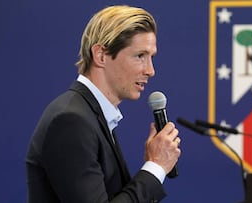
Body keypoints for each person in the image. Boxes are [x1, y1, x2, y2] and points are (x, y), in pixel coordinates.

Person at [26, 5, 181, 203]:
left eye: (152, 57)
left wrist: (154, 166)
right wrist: (156, 167)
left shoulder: (90, 114)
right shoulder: (71, 121)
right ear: (100, 55)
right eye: (140, 56)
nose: (150, 70)